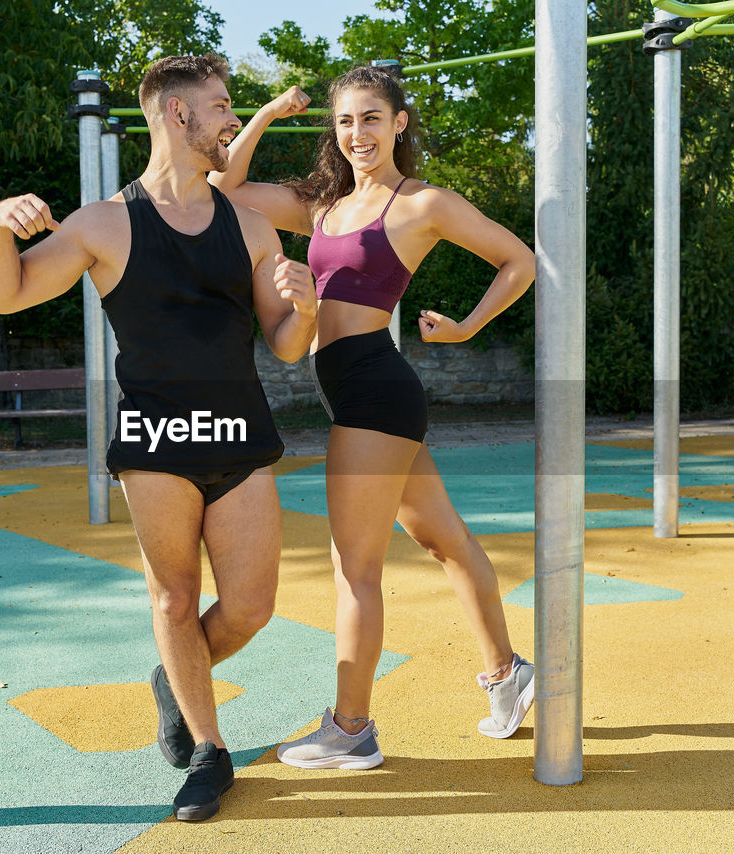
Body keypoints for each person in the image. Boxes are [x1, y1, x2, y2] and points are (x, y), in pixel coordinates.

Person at [0, 54, 317, 818]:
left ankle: (174, 673)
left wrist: (310, 309)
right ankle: (210, 750)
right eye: (223, 105)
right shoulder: (102, 223)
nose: (234, 118)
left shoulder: (252, 226)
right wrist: (1, 225)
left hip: (238, 434)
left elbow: (288, 344)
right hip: (155, 440)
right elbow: (6, 295)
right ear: (177, 113)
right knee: (173, 600)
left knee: (251, 607)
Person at [209, 65, 536, 769]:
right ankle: (507, 674)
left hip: (373, 392)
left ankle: (351, 727)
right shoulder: (321, 207)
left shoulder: (423, 204)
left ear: (399, 123)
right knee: (444, 541)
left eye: (372, 118)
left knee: (354, 569)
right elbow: (224, 189)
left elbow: (517, 261)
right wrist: (268, 112)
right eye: (346, 120)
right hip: (364, 395)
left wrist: (468, 327)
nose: (358, 133)